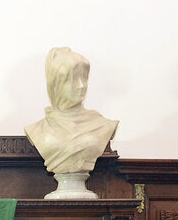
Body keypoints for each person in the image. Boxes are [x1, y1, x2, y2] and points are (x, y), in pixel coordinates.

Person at [24, 47, 119, 175]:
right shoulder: (37, 130)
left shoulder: (103, 125)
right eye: (73, 79)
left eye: (84, 78)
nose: (81, 85)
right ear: (56, 84)